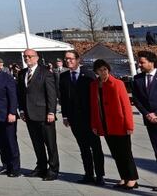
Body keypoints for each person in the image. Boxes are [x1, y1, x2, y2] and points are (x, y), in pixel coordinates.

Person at [90, 59, 138, 189]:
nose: (103, 72)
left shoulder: (118, 83)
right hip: (105, 124)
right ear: (96, 72)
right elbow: (94, 107)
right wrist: (95, 124)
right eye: (100, 70)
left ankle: (132, 179)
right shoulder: (94, 85)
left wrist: (129, 125)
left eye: (105, 69)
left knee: (126, 152)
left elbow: (126, 106)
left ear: (108, 70)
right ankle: (124, 177)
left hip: (119, 123)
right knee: (115, 153)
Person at [59, 49, 104, 185]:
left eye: (71, 58)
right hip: (74, 118)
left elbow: (96, 97)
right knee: (83, 148)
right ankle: (88, 174)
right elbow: (63, 98)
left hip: (90, 118)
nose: (68, 61)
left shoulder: (89, 75)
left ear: (78, 59)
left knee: (95, 148)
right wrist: (65, 116)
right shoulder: (64, 76)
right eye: (66, 59)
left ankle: (100, 175)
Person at [17, 48, 59, 181]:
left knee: (50, 144)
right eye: (25, 56)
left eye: (30, 56)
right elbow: (21, 94)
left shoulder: (45, 72)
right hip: (29, 115)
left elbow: (51, 94)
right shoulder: (22, 73)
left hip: (44, 114)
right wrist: (22, 110)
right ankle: (41, 167)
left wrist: (51, 111)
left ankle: (53, 169)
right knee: (37, 143)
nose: (27, 59)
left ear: (37, 57)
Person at [131, 50, 157, 167]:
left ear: (151, 62)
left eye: (142, 62)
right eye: (138, 62)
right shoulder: (137, 79)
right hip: (150, 121)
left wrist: (156, 114)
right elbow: (136, 99)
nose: (139, 65)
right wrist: (147, 114)